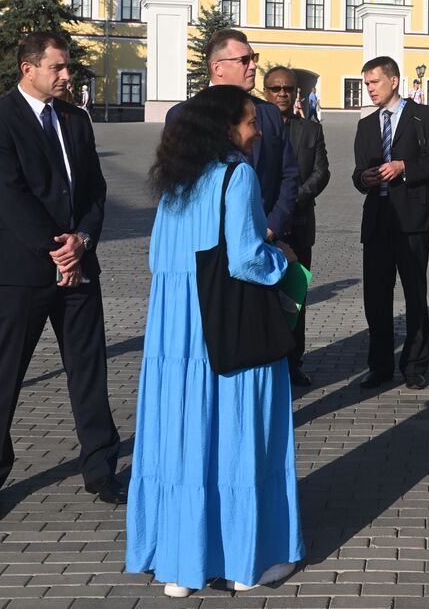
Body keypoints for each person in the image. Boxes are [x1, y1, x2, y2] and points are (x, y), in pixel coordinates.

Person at [126, 85, 303, 598]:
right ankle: (246, 562)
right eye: (250, 122)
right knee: (241, 436)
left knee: (181, 438)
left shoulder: (177, 179)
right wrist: (285, 260)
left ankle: (181, 565)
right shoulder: (236, 174)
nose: (256, 131)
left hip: (175, 326)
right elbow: (246, 258)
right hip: (227, 326)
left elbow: (157, 255)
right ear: (227, 127)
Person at [0, 32, 121, 525]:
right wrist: (57, 249)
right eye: (57, 67)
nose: (66, 75)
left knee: (89, 369)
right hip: (20, 271)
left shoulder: (75, 120)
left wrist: (83, 242)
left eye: (67, 67)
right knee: (4, 376)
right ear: (28, 69)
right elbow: (8, 194)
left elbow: (96, 189)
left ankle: (100, 469)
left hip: (78, 266)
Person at [352, 57, 429, 390]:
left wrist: (404, 168)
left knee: (414, 295)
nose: (369, 89)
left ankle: (415, 365)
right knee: (376, 298)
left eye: (374, 83)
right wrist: (364, 178)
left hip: (413, 219)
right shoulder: (366, 125)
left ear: (393, 81)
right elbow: (357, 173)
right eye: (366, 84)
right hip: (377, 221)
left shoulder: (421, 116)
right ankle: (379, 365)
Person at [168, 29, 299, 246]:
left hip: (261, 240)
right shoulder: (182, 116)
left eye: (253, 58)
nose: (254, 66)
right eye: (244, 60)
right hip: (205, 244)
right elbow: (177, 185)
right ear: (217, 67)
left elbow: (289, 175)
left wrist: (271, 226)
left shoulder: (269, 113)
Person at [265, 66, 330, 387]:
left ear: (296, 94)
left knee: (295, 298)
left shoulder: (311, 131)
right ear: (265, 92)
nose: (281, 94)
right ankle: (267, 361)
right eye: (275, 88)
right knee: (263, 298)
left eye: (287, 89)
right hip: (263, 229)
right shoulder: (256, 127)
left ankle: (294, 363)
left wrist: (291, 201)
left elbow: (322, 173)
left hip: (300, 223)